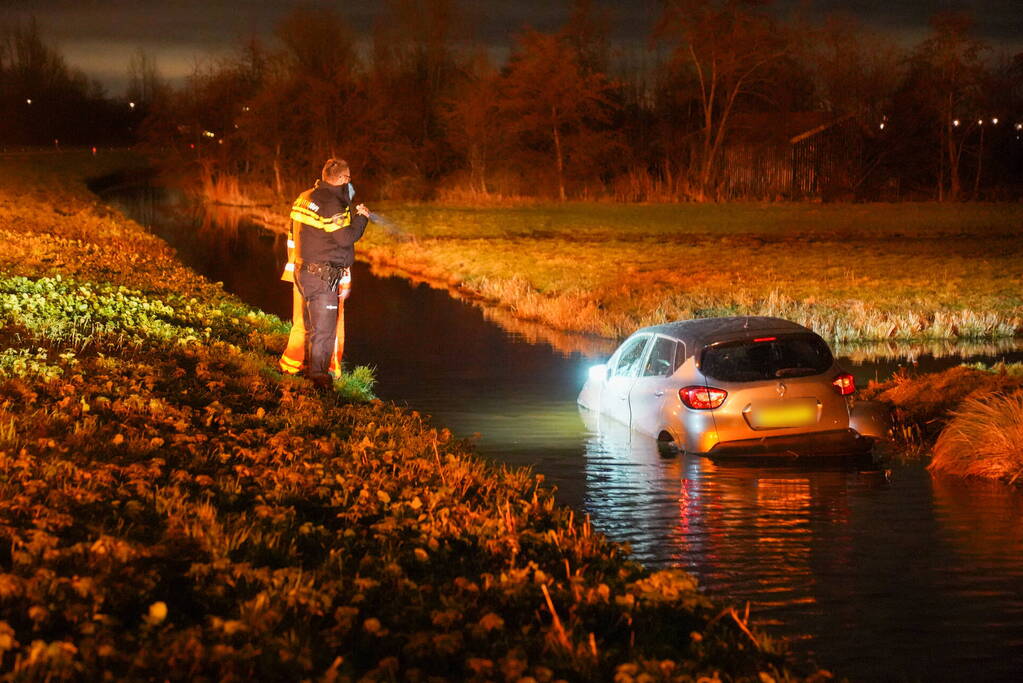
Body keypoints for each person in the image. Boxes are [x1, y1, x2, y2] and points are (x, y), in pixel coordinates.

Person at [287, 158, 370, 390]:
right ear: (343, 179)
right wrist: (362, 218)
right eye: (348, 179)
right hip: (322, 277)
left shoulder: (304, 197)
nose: (349, 183)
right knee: (323, 332)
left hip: (303, 272)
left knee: (311, 326)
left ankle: (308, 369)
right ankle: (319, 381)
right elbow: (345, 238)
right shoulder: (332, 203)